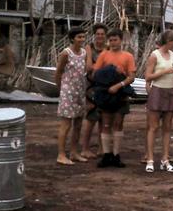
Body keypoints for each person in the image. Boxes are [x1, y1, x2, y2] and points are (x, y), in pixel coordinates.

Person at [92, 28, 136, 168]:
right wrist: (110, 70)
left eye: (115, 40)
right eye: (110, 40)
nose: (112, 43)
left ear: (121, 40)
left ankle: (116, 155)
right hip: (106, 93)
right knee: (105, 124)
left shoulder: (128, 56)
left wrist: (119, 84)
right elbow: (95, 74)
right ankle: (106, 155)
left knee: (118, 123)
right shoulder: (103, 55)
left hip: (121, 93)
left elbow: (131, 77)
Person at [144, 30, 173, 173]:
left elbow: (172, 72)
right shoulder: (155, 55)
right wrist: (165, 72)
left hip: (170, 91)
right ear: (168, 41)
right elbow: (148, 76)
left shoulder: (172, 55)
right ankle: (150, 159)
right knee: (153, 127)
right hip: (157, 91)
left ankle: (165, 159)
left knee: (167, 128)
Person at [55, 27, 88, 165]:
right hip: (68, 92)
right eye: (79, 37)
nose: (82, 39)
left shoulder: (84, 53)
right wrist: (61, 89)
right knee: (66, 124)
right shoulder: (66, 53)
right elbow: (58, 72)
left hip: (80, 91)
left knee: (78, 124)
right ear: (72, 38)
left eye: (83, 37)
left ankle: (74, 152)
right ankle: (61, 155)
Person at [80, 23, 108, 159]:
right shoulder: (89, 48)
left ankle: (101, 147)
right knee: (91, 119)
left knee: (104, 118)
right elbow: (89, 67)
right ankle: (85, 148)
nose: (100, 36)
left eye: (102, 34)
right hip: (91, 87)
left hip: (105, 87)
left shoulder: (108, 49)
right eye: (98, 34)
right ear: (94, 35)